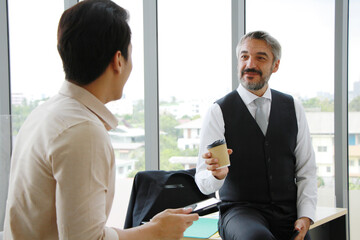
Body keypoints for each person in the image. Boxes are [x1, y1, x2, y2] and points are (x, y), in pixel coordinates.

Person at [3, 0, 198, 239]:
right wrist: (155, 232)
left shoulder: (46, 112)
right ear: (118, 60)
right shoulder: (83, 130)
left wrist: (150, 229)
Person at [195, 31, 317, 240]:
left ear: (275, 65)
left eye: (260, 57)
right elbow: (202, 179)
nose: (250, 64)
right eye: (244, 56)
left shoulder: (293, 107)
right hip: (240, 212)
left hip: (286, 212)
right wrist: (217, 175)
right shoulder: (219, 110)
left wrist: (306, 216)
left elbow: (307, 169)